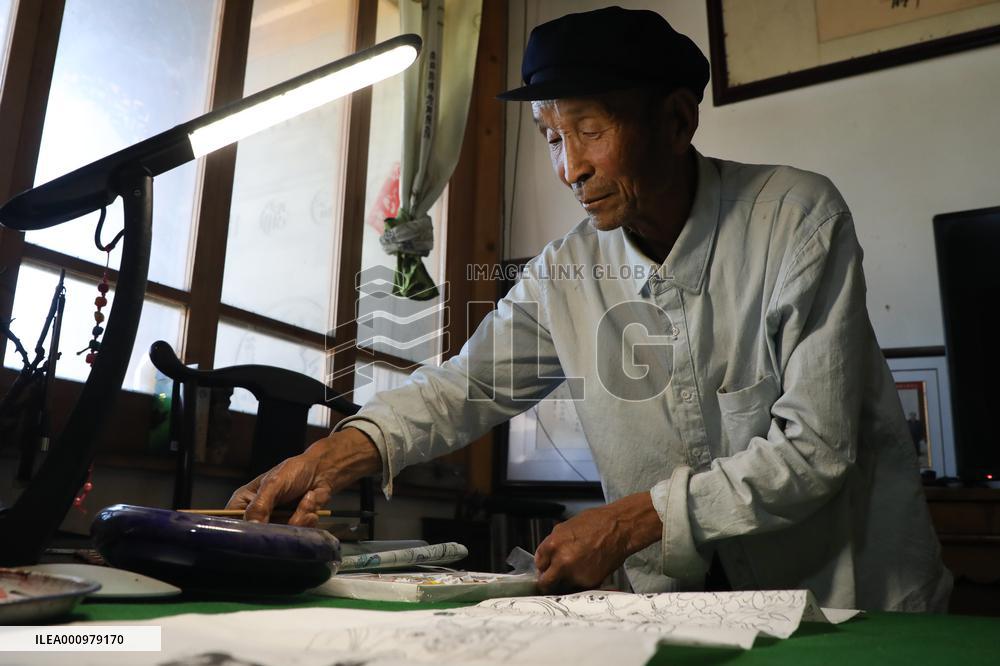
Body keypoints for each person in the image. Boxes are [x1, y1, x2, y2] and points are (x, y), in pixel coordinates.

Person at [228, 6, 951, 612]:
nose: (569, 166)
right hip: (687, 616)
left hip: (850, 602)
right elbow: (467, 385)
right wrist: (330, 457)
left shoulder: (796, 218)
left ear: (675, 122)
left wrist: (637, 518)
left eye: (590, 130)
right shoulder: (566, 272)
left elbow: (816, 449)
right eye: (550, 136)